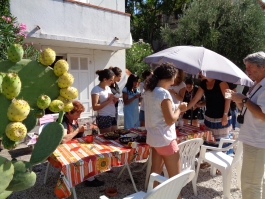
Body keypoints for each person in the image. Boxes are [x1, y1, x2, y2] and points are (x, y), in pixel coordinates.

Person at [144, 63, 187, 199]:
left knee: (155, 174)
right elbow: (170, 120)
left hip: (154, 139)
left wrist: (177, 106)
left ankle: (153, 196)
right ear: (171, 77)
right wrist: (179, 109)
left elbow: (159, 110)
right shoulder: (164, 93)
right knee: (176, 179)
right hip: (166, 140)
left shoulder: (150, 91)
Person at [231, 52, 265, 199]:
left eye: (250, 67)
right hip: (254, 139)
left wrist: (244, 100)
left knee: (250, 184)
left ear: (263, 67)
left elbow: (263, 115)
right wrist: (238, 101)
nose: (247, 71)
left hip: (258, 141)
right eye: (246, 68)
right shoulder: (257, 85)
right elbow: (249, 111)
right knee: (256, 182)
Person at [60, 100, 105, 187]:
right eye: (78, 114)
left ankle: (90, 175)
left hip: (74, 145)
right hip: (65, 149)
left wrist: (83, 129)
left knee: (94, 149)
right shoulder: (63, 121)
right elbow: (63, 140)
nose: (79, 116)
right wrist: (78, 130)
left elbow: (77, 135)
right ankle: (90, 180)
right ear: (69, 112)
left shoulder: (73, 120)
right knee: (88, 155)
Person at [187, 73, 232, 140]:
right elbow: (195, 99)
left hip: (221, 118)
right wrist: (184, 109)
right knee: (208, 141)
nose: (199, 74)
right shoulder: (203, 83)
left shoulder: (222, 82)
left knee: (221, 142)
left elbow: (228, 98)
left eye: (202, 72)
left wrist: (225, 114)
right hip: (209, 117)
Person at [91, 69, 118, 134]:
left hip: (112, 115)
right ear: (105, 79)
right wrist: (109, 101)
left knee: (115, 136)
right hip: (104, 116)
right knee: (106, 138)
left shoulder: (108, 88)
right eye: (111, 80)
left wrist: (115, 100)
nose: (112, 82)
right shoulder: (96, 89)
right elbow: (95, 107)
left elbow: (110, 103)